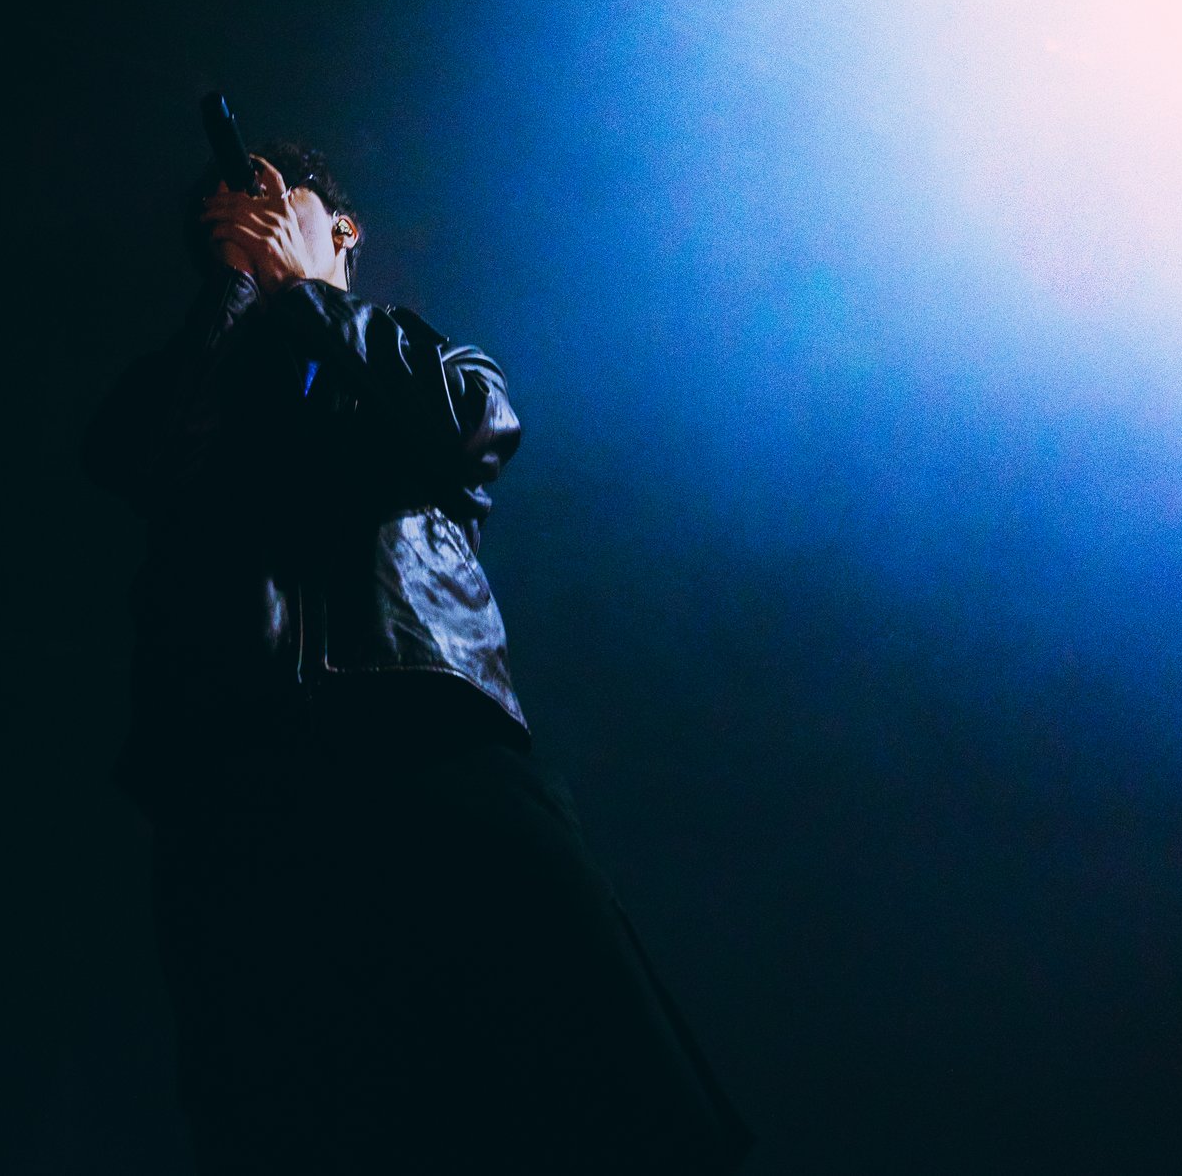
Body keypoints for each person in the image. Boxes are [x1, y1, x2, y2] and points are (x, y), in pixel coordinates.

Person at [84, 139, 753, 1175]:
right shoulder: (198, 383)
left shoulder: (407, 353)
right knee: (291, 1108)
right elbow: (142, 460)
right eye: (228, 214)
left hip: (430, 735)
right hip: (235, 780)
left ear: (342, 228)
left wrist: (304, 292)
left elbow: (469, 426)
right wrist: (235, 289)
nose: (251, 216)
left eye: (273, 199)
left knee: (592, 1067)